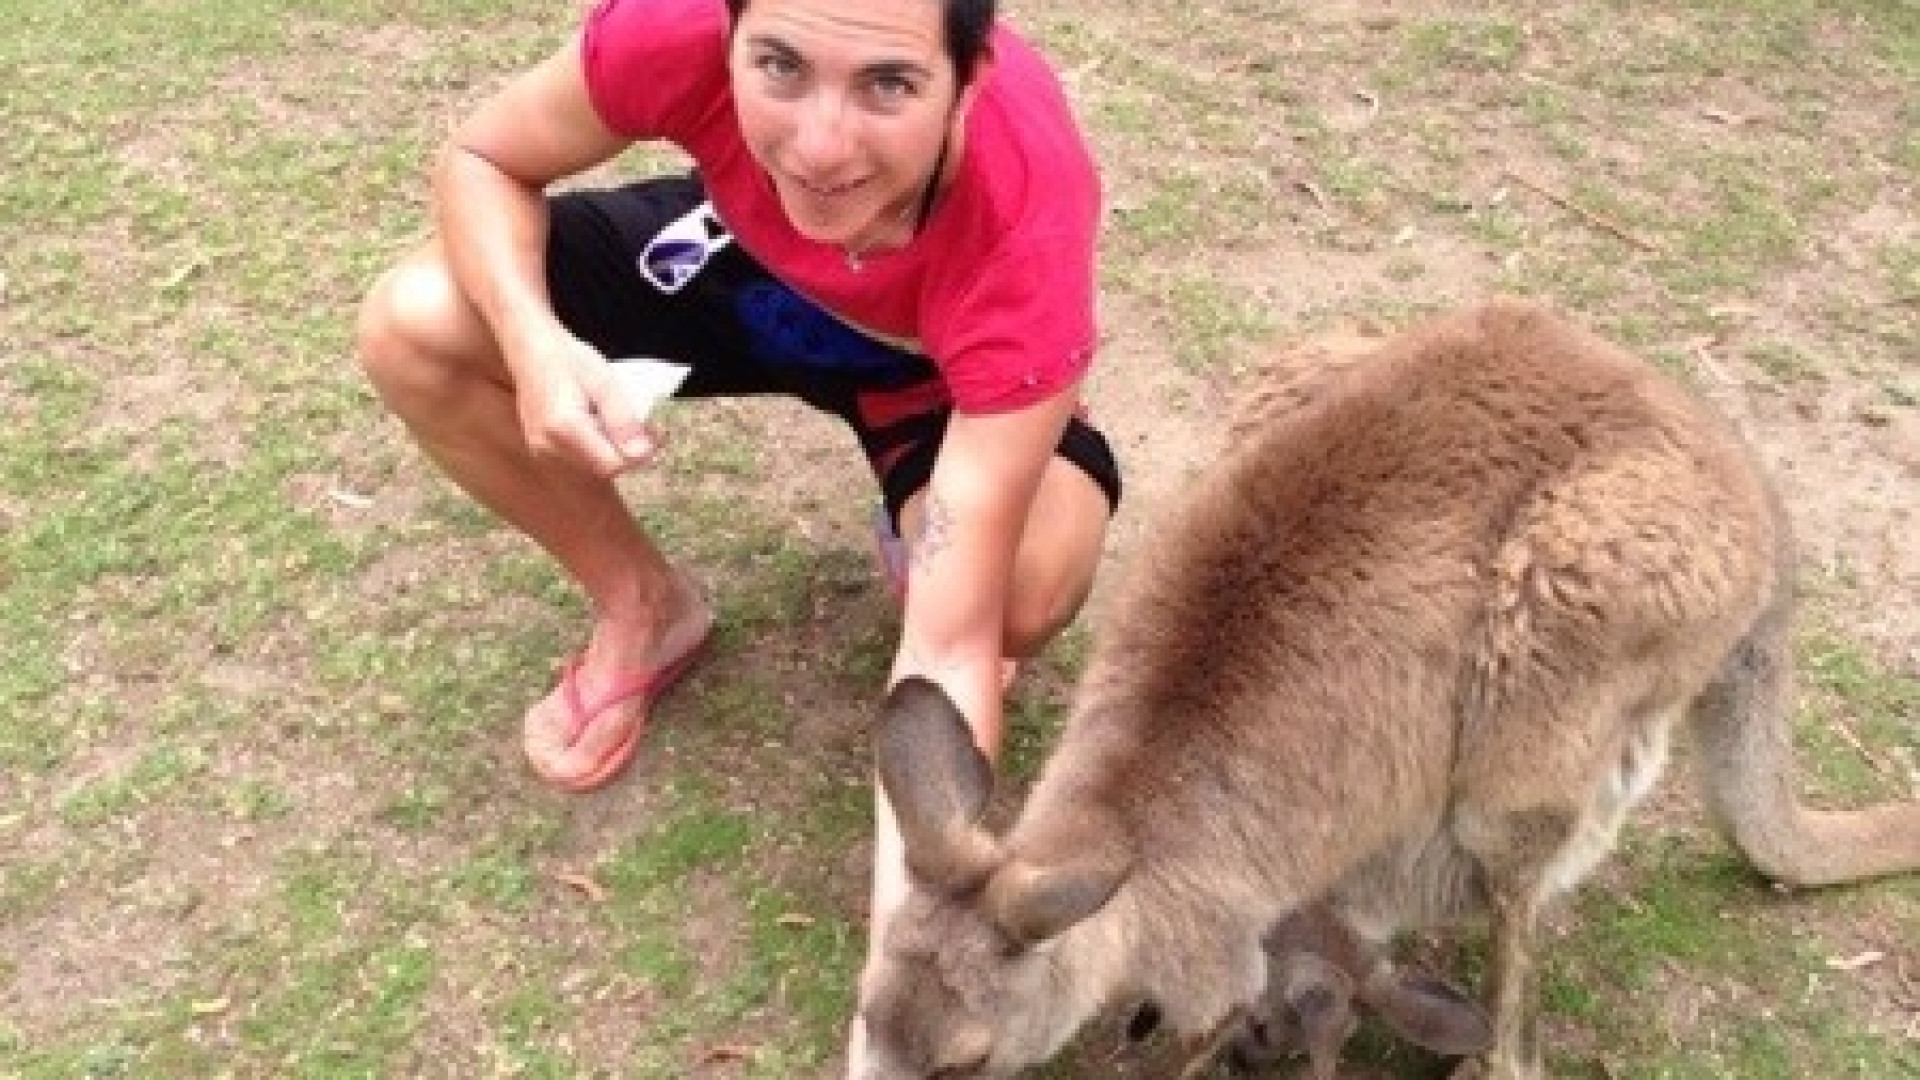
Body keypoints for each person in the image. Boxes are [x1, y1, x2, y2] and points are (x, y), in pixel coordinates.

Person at [353, 0, 1120, 1056]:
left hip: (930, 370)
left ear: (971, 76)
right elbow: (484, 157)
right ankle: (645, 607)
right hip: (737, 262)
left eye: (888, 85)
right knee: (418, 322)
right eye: (780, 67)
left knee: (1015, 596)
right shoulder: (674, 28)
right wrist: (534, 346)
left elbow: (947, 648)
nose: (818, 144)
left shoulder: (1023, 209)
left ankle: (928, 517)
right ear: (727, 34)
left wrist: (891, 1010)